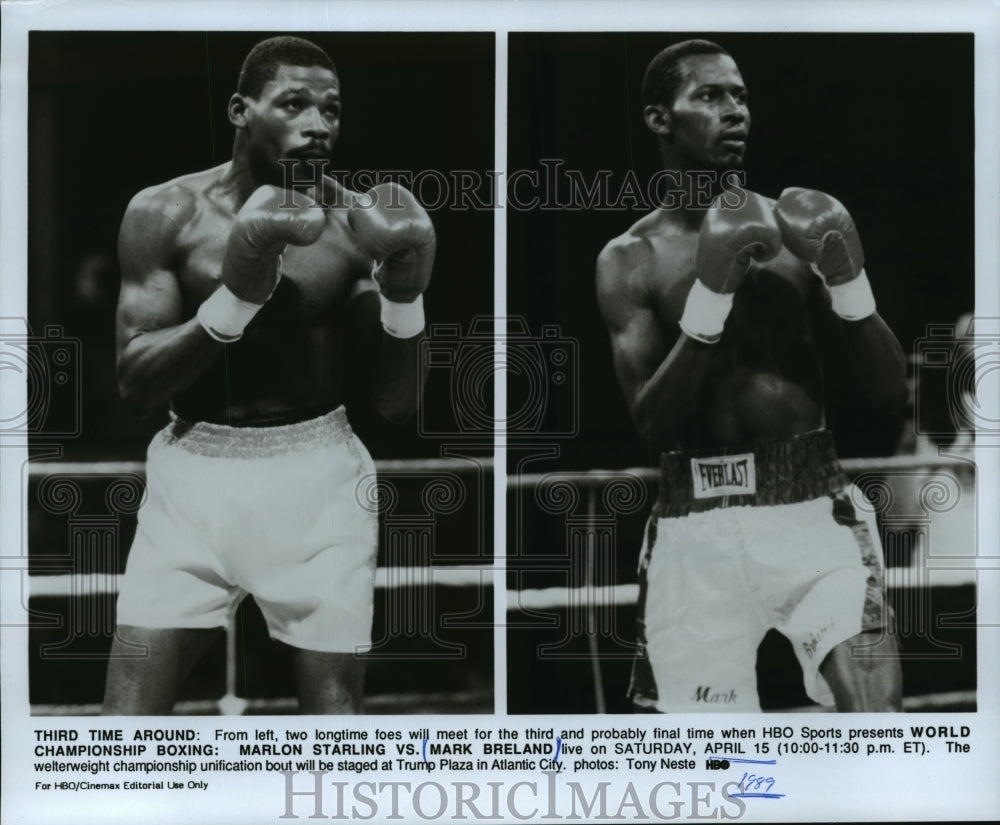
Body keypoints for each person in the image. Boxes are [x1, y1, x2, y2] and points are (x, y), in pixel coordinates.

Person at [103, 36, 434, 714]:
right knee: (122, 728)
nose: (318, 124)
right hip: (192, 476)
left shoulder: (355, 223)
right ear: (241, 110)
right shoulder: (165, 214)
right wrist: (234, 302)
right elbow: (135, 383)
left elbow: (398, 403)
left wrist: (406, 297)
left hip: (319, 477)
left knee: (333, 729)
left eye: (332, 109)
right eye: (294, 104)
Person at [596, 39, 908, 712]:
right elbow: (652, 425)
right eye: (709, 96)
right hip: (694, 522)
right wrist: (713, 294)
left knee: (878, 727)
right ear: (659, 119)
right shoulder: (630, 260)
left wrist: (849, 284)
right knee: (712, 767)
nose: (734, 111)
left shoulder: (801, 235)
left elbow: (889, 396)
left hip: (813, 507)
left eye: (739, 95)